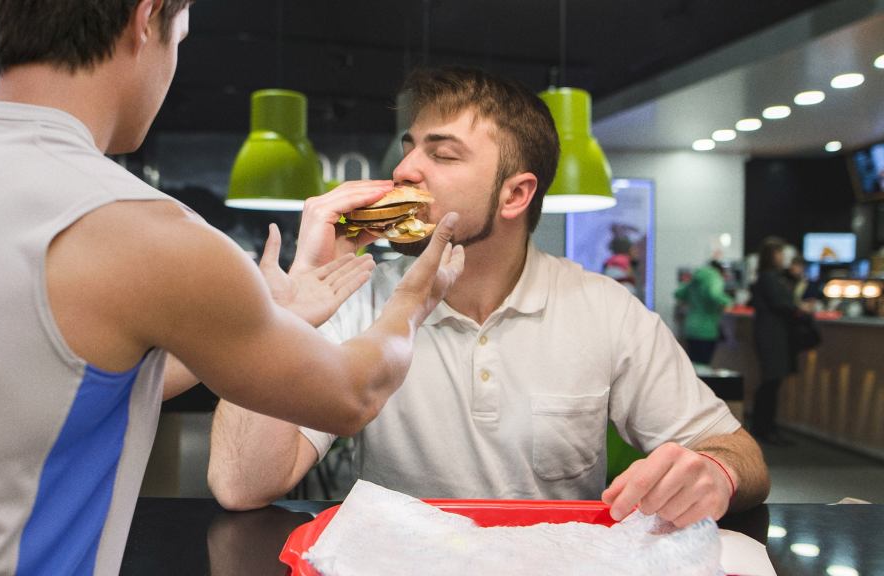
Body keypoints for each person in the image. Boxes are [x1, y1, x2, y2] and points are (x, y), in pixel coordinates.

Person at [0, 1, 466, 573]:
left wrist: (271, 312)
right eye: (180, 39)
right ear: (146, 19)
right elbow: (351, 394)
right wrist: (415, 299)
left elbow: (67, 373)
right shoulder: (146, 228)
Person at [209, 67, 770, 529]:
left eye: (443, 154)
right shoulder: (356, 297)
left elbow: (739, 455)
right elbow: (240, 485)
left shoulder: (604, 308)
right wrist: (287, 316)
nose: (404, 170)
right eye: (408, 150)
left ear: (516, 194)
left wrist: (713, 473)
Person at [750, 238, 802, 446]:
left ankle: (763, 426)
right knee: (771, 382)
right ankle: (765, 427)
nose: (782, 257)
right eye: (779, 253)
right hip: (773, 337)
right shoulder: (770, 279)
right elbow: (783, 304)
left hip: (770, 335)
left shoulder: (767, 278)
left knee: (770, 382)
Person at [674, 258, 733, 365]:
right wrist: (728, 301)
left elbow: (679, 293)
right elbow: (714, 294)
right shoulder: (714, 277)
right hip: (707, 329)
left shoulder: (696, 277)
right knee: (704, 367)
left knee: (693, 366)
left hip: (691, 328)